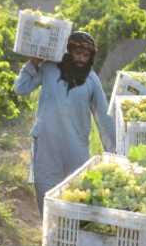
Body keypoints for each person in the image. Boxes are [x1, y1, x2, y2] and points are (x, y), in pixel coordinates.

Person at [13, 31, 115, 214]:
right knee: (46, 198)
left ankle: (70, 241)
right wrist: (34, 62)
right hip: (46, 145)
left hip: (75, 149)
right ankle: (49, 239)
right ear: (68, 51)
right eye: (77, 53)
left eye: (85, 55)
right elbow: (20, 88)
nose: (81, 59)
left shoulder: (92, 80)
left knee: (75, 200)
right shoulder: (49, 69)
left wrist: (114, 151)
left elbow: (103, 117)